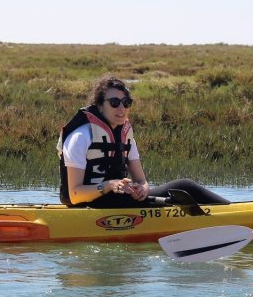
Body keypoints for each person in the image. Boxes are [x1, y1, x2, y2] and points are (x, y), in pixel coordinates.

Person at [57, 74, 230, 208]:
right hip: (88, 206)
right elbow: (74, 194)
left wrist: (143, 190)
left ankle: (234, 212)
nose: (122, 108)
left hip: (120, 201)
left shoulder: (125, 135)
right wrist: (109, 185)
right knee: (185, 187)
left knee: (185, 187)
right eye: (114, 102)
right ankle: (235, 215)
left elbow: (142, 181)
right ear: (100, 105)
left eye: (126, 103)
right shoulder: (80, 137)